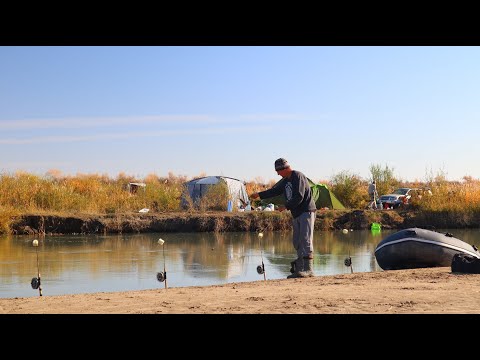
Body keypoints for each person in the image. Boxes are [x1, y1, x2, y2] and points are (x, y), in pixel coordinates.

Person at [250, 158, 317, 278]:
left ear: (285, 168)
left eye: (278, 171)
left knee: (305, 239)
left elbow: (299, 196)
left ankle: (309, 270)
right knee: (297, 241)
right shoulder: (285, 180)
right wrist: (259, 195)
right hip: (296, 213)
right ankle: (300, 269)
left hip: (306, 211)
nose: (277, 174)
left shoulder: (298, 176)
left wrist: (285, 206)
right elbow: (275, 191)